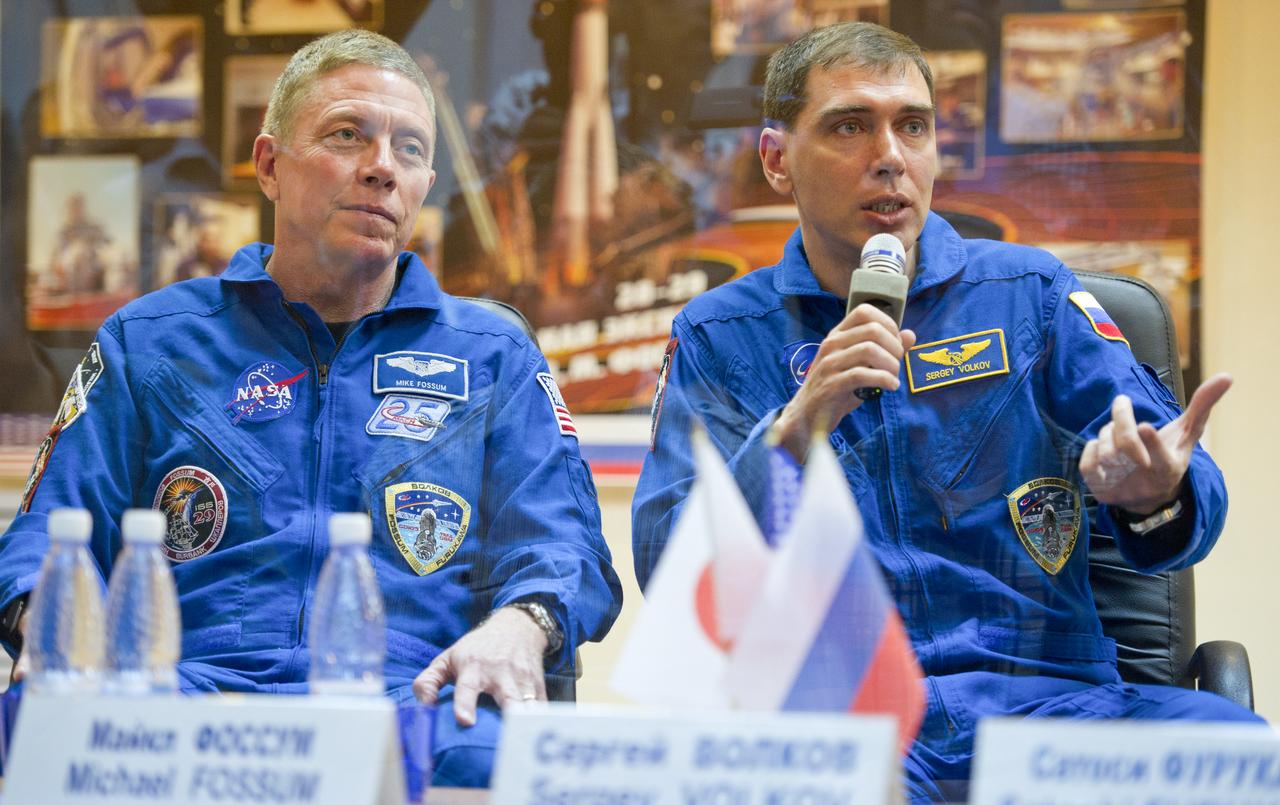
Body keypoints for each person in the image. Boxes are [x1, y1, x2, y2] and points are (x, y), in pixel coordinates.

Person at [632, 21, 1263, 802]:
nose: (890, 156)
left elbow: (1182, 481)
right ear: (776, 159)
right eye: (850, 126)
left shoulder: (1031, 296)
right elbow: (669, 569)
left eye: (913, 126)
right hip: (843, 728)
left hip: (1051, 705)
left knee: (1234, 757)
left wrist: (1155, 493)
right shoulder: (719, 335)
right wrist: (794, 433)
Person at [0, 29, 622, 787]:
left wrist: (521, 626)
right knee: (26, 729)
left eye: (411, 149)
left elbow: (564, 545)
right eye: (347, 134)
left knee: (522, 763)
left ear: (426, 183)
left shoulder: (492, 355)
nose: (383, 167)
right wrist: (47, 617)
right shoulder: (151, 341)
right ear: (269, 165)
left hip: (416, 698)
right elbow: (47, 528)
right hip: (184, 690)